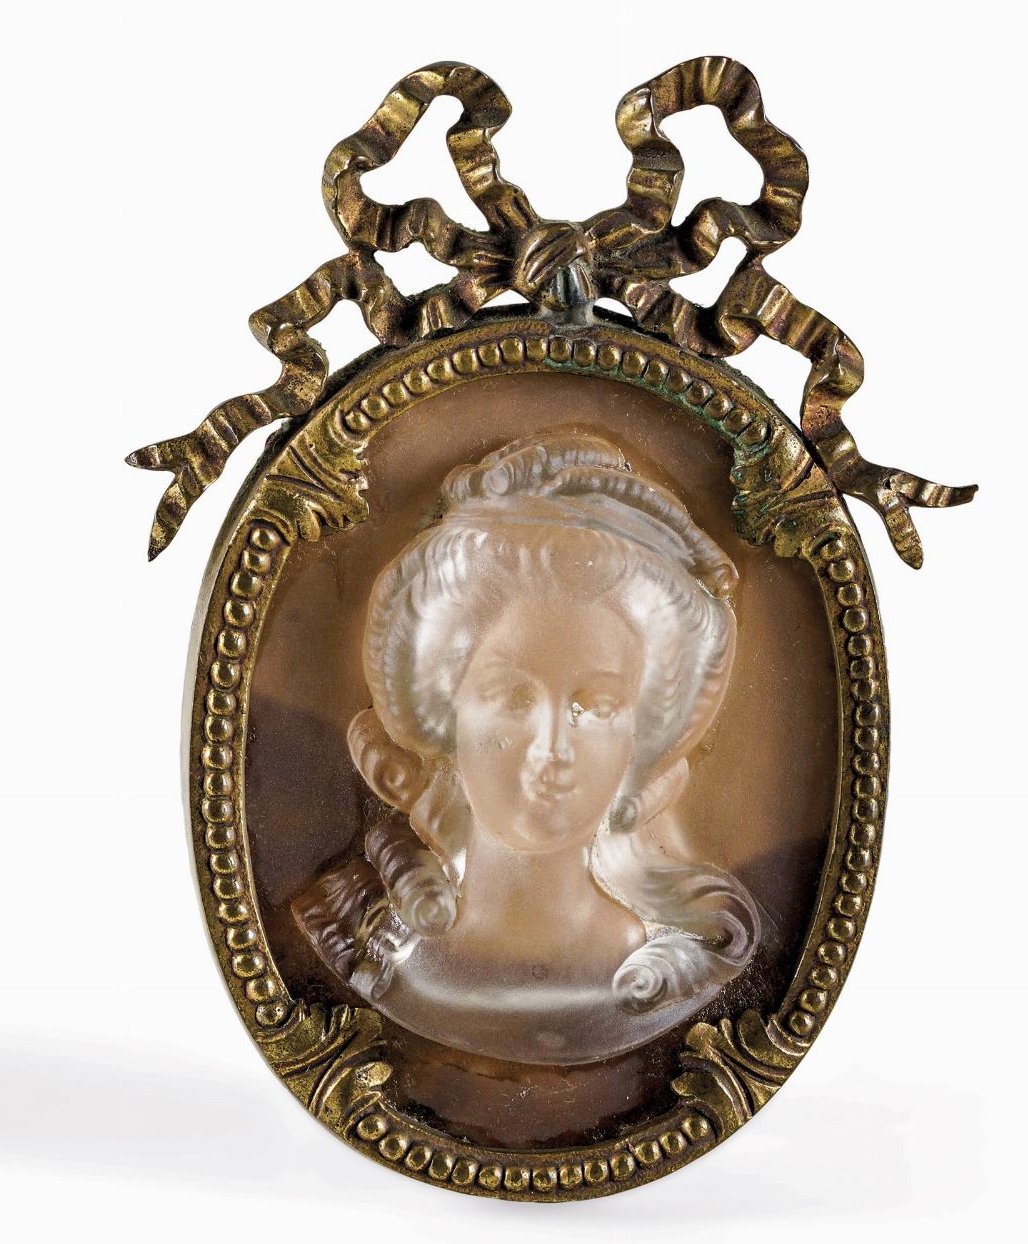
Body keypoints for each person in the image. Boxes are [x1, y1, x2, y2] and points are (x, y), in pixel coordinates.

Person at [292, 432, 760, 1065]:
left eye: (597, 707)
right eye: (511, 697)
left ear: (640, 734)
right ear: (445, 709)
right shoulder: (353, 932)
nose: (553, 749)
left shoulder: (682, 968)